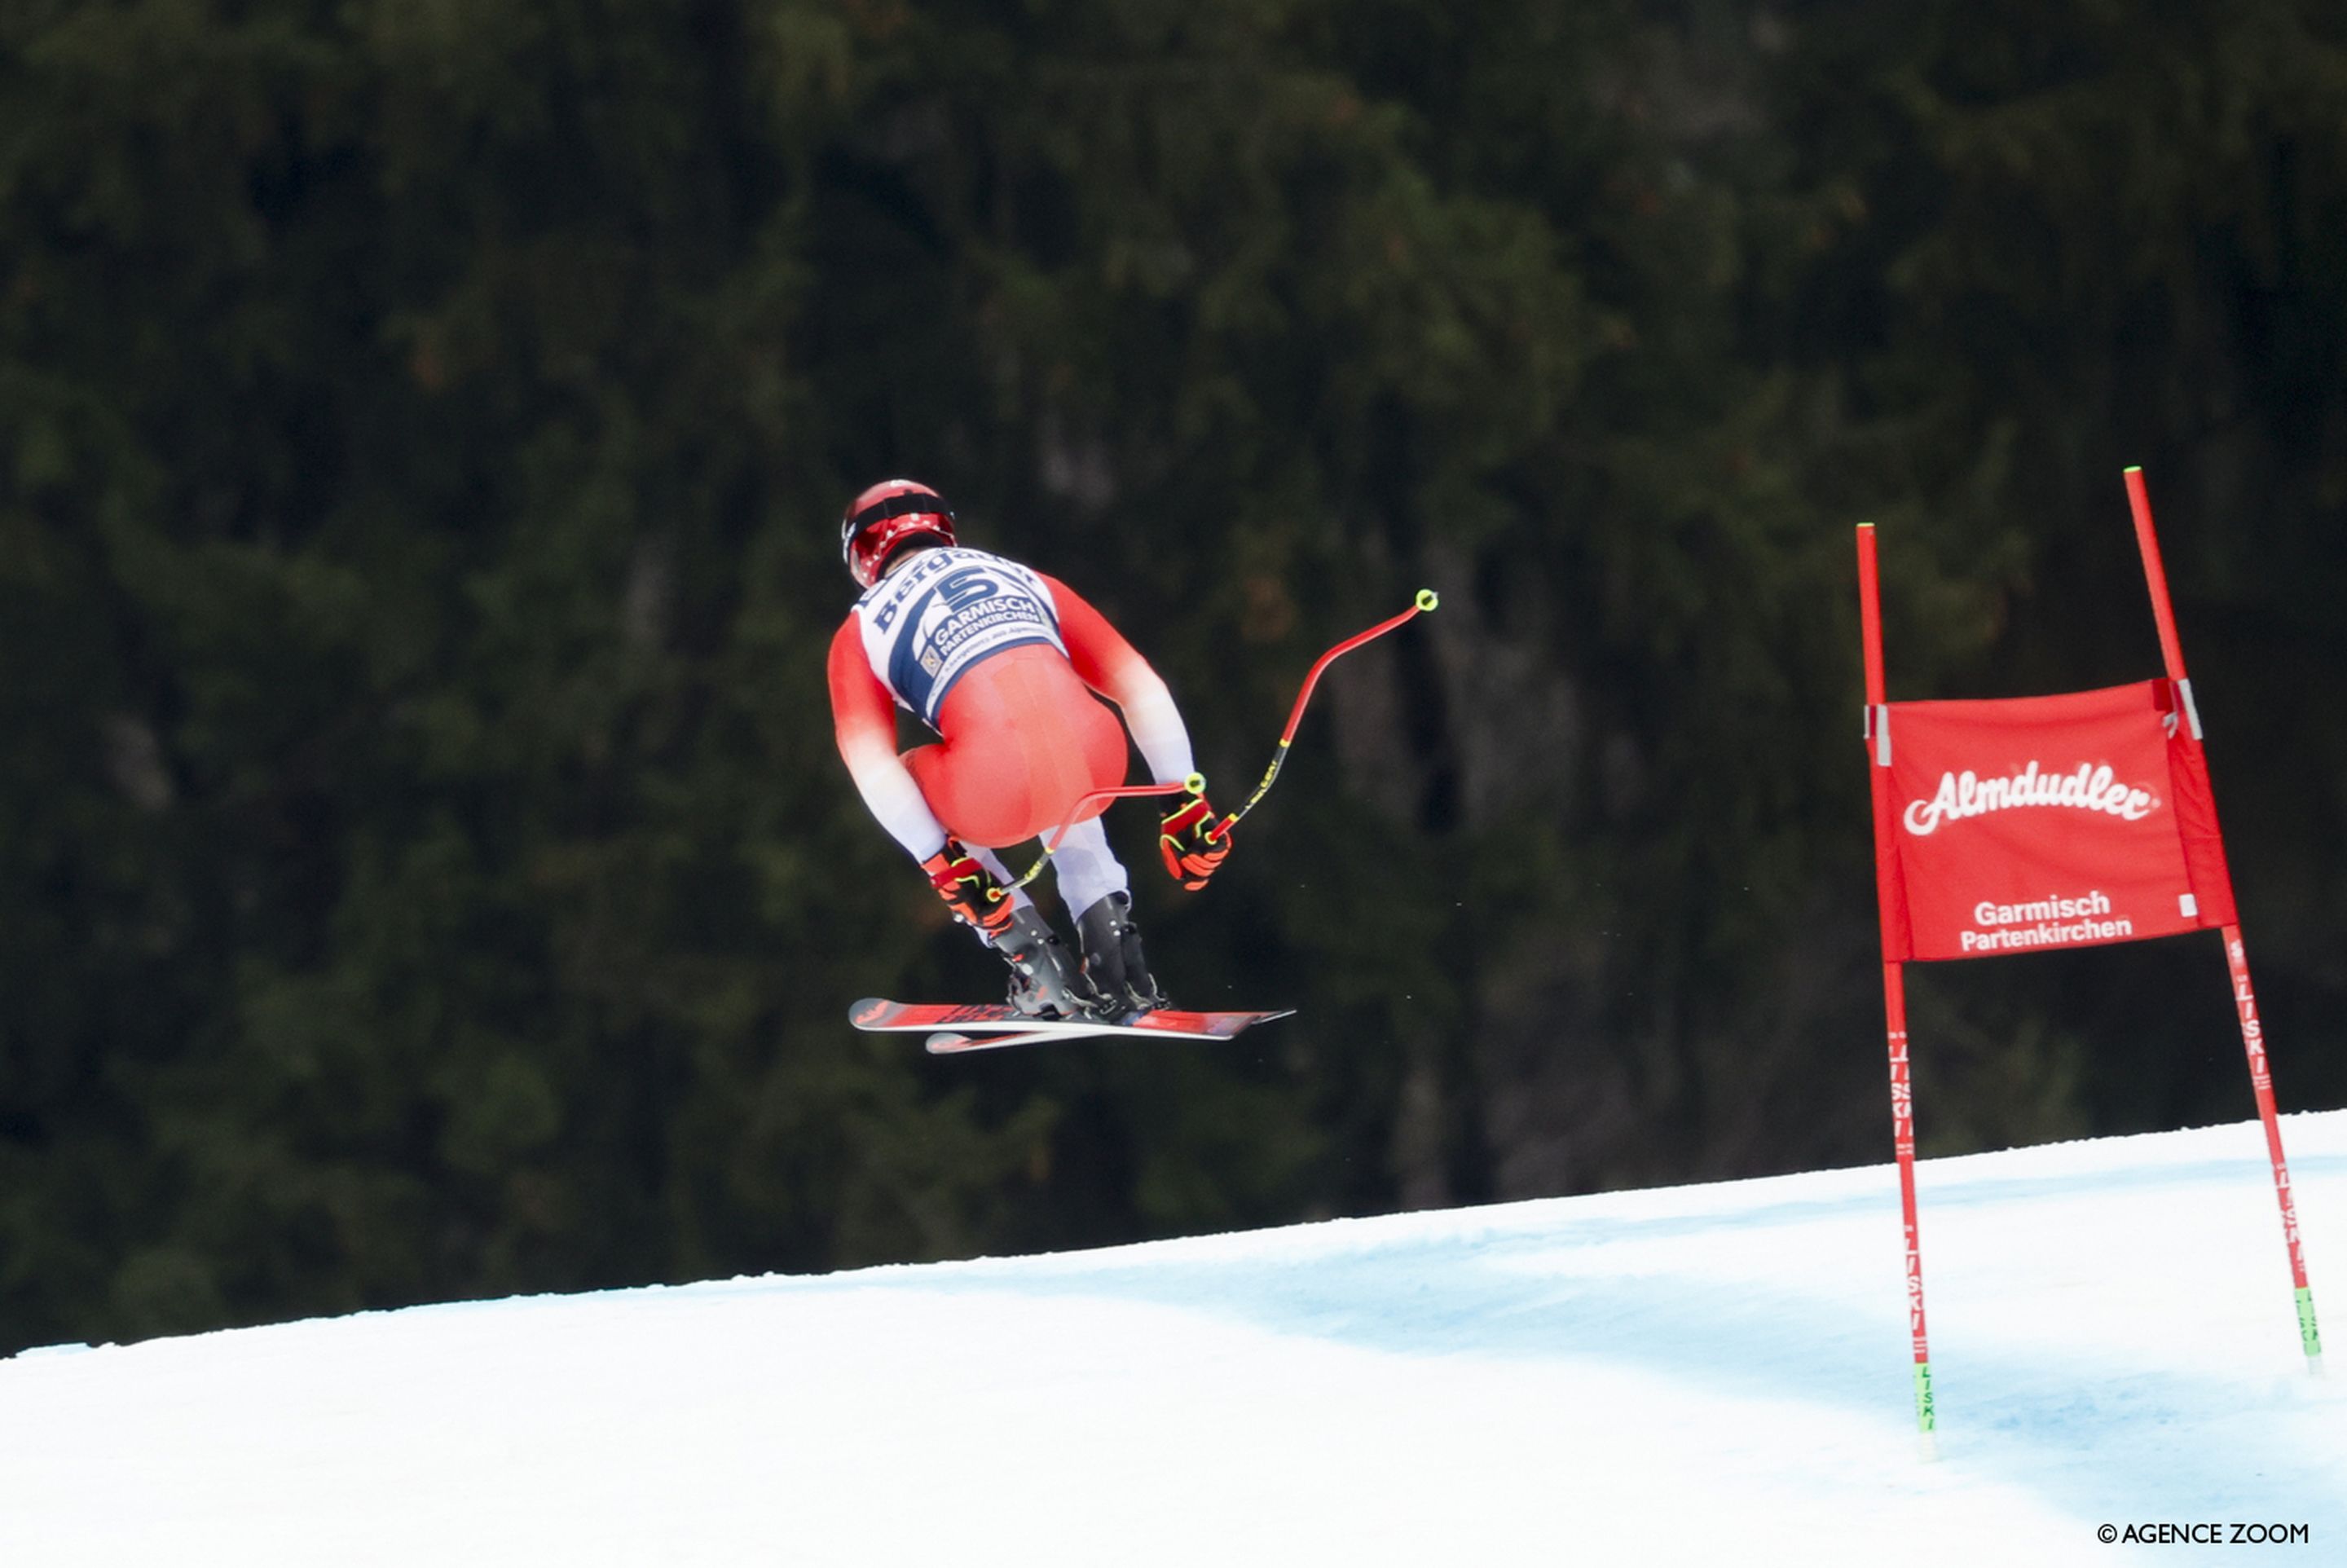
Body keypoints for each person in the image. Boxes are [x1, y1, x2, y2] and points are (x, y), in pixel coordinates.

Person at [826, 478, 1233, 1017]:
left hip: (988, 791)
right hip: (1097, 762)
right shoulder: (1023, 577)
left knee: (905, 773)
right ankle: (1116, 949)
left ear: (860, 556)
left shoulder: (859, 631)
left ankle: (1036, 962)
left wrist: (942, 863)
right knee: (1053, 735)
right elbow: (1141, 688)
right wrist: (1182, 800)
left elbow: (869, 765)